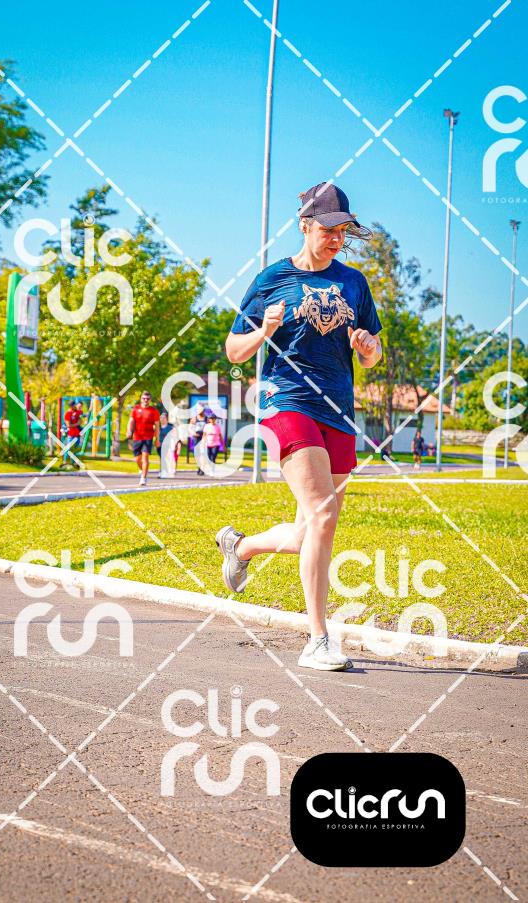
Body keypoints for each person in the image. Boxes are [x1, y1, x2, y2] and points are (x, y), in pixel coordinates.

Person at [216, 182, 382, 671]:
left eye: (343, 231)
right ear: (305, 224)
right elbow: (233, 351)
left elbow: (372, 353)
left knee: (311, 528)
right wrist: (264, 330)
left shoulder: (355, 283)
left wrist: (369, 350)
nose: (336, 239)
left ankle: (240, 546)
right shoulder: (273, 279)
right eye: (329, 229)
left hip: (338, 410)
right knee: (323, 515)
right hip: (286, 402)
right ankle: (318, 639)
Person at [127, 390, 160, 486]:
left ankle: (143, 478)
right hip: (137, 437)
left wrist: (157, 439)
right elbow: (131, 421)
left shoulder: (154, 411)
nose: (146, 400)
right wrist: (129, 431)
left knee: (145, 457)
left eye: (147, 399)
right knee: (137, 459)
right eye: (144, 398)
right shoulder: (136, 409)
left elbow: (157, 426)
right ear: (141, 399)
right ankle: (143, 470)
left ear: (150, 400)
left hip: (148, 437)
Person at [156, 411, 177, 477]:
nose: (162, 419)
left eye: (164, 418)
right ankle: (165, 471)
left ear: (167, 419)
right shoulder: (158, 427)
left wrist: (174, 445)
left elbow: (174, 436)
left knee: (164, 458)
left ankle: (163, 471)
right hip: (159, 445)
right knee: (162, 458)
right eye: (161, 418)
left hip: (167, 445)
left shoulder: (170, 427)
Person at [193, 409, 206, 475]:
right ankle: (199, 467)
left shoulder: (206, 419)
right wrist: (193, 433)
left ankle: (202, 469)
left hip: (203, 438)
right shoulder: (194, 418)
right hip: (196, 438)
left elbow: (208, 427)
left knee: (202, 454)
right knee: (197, 454)